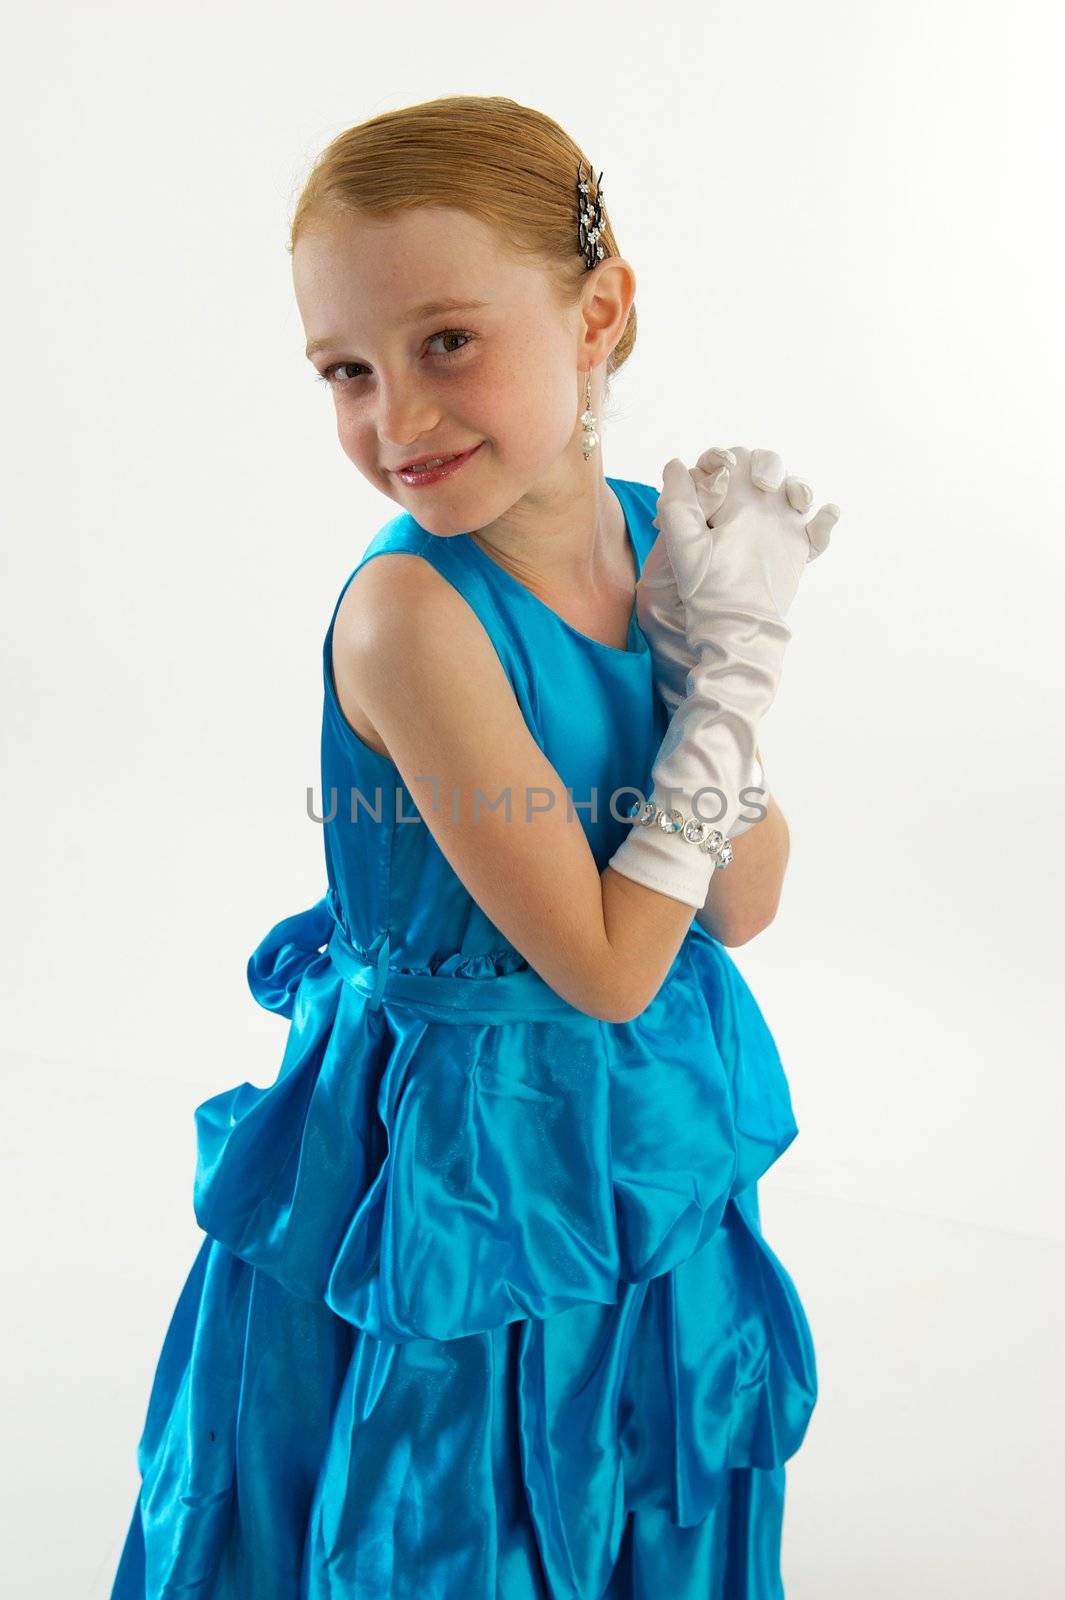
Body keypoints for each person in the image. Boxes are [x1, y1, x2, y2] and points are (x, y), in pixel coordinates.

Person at [110, 93, 838, 1599]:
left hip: (626, 1135)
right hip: (454, 1157)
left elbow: (743, 907)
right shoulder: (411, 620)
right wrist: (725, 696)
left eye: (447, 342)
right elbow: (608, 966)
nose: (397, 422)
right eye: (344, 371)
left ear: (597, 314)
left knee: (630, 1453)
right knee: (448, 1502)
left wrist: (715, 672)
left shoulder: (656, 541)